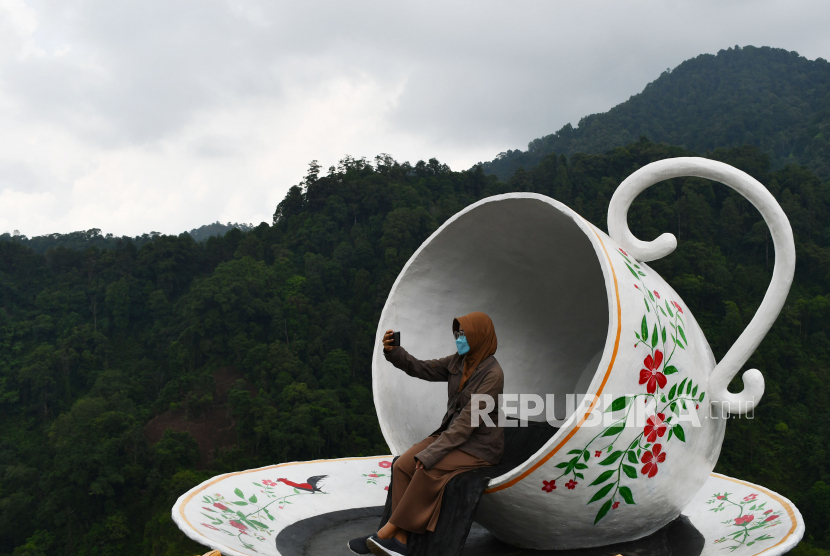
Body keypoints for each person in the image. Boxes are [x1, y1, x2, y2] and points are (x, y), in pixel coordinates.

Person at [349, 311, 505, 556]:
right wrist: (394, 353)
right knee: (402, 465)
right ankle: (400, 541)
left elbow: (467, 423)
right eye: (458, 333)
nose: (459, 338)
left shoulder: (492, 375)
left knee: (425, 468)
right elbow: (422, 368)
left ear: (480, 336)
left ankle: (385, 533)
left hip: (479, 446)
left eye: (465, 334)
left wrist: (432, 452)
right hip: (452, 436)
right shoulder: (458, 361)